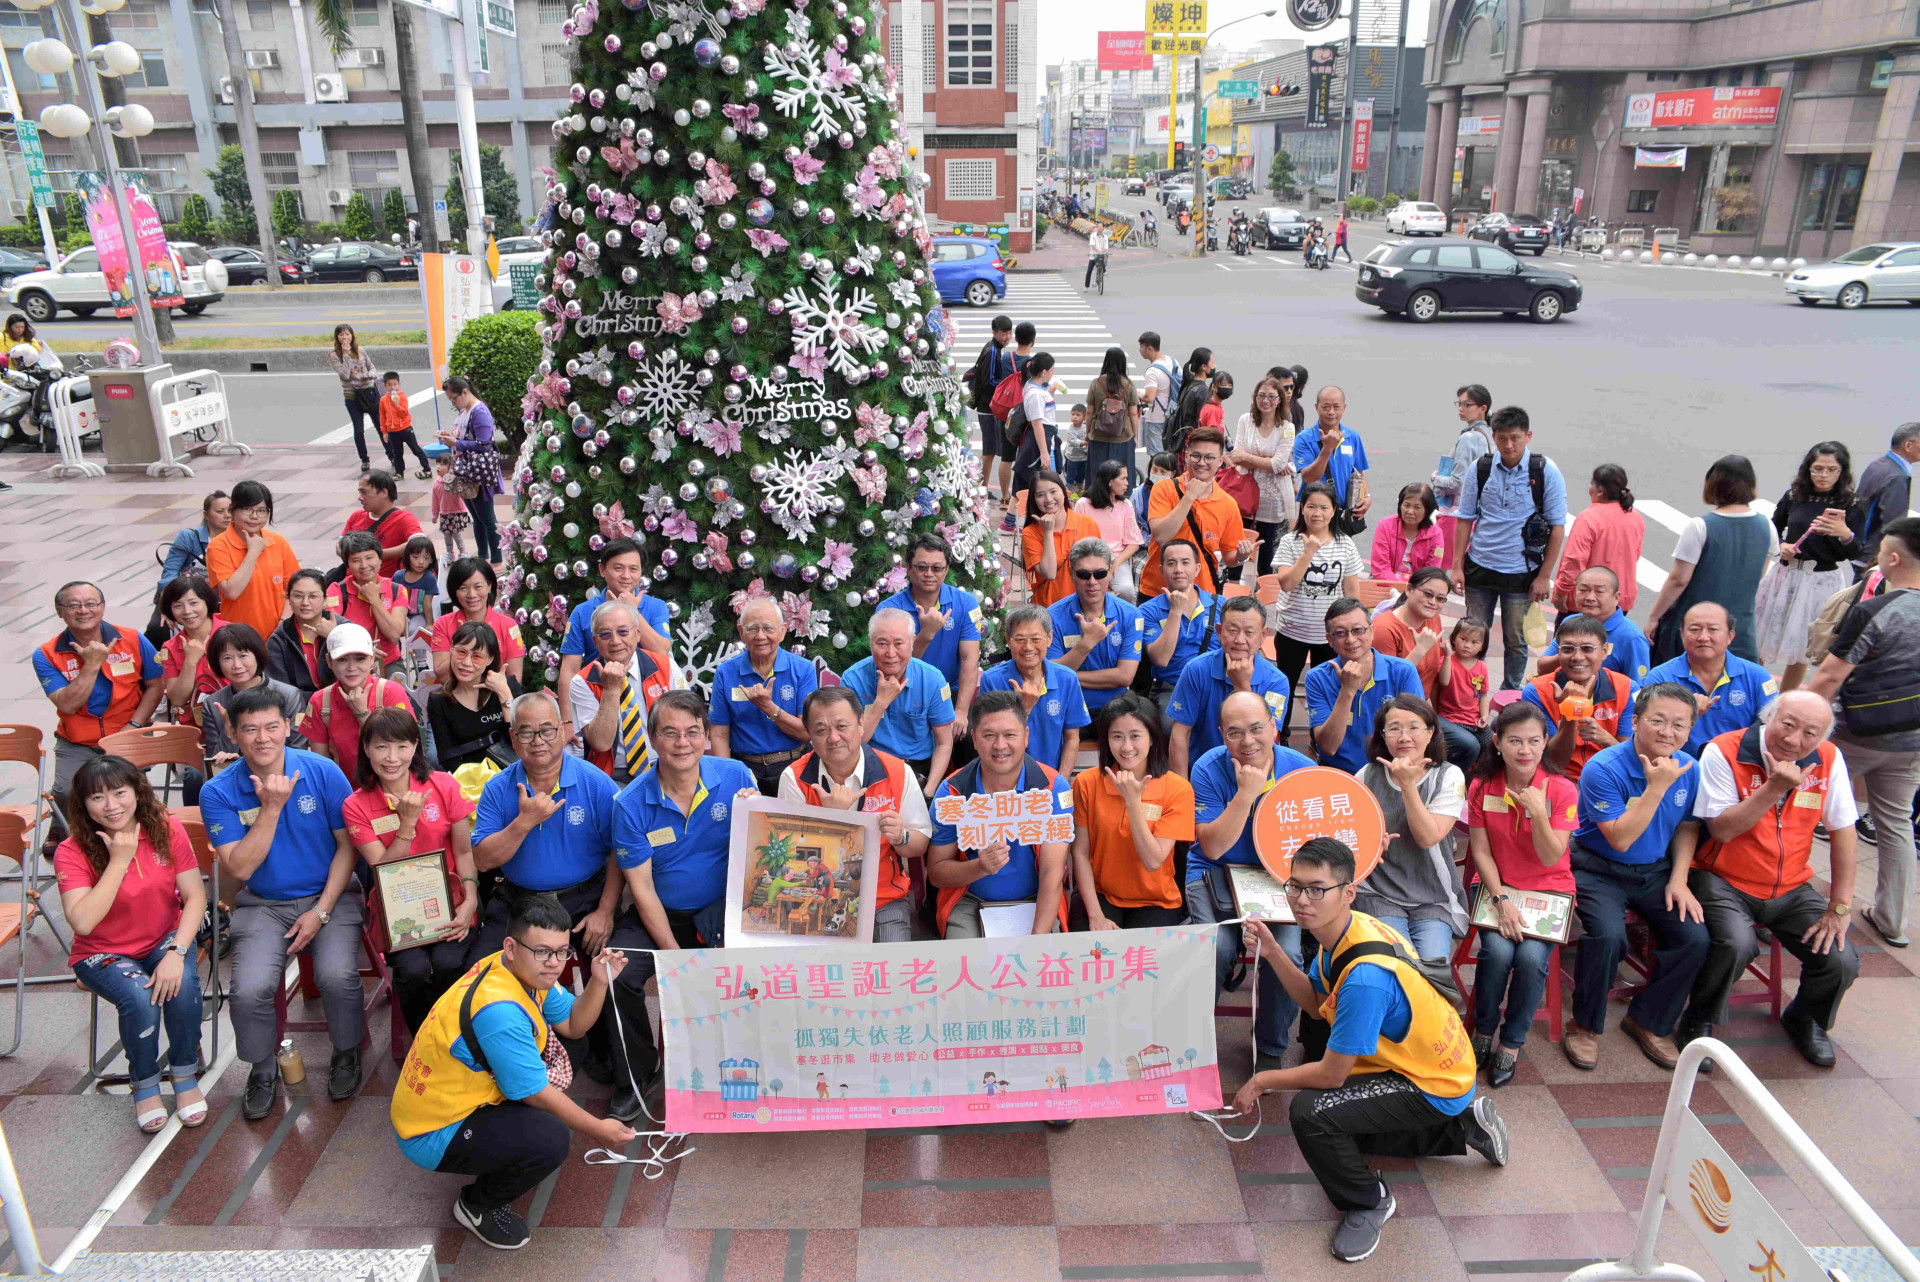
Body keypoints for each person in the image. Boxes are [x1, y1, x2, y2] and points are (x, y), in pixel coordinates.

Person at [1233, 839, 1507, 1265]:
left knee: (1313, 1113)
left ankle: (1369, 1200)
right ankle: (1464, 1126)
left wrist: (1262, 1079)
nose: (1302, 900)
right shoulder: (1348, 930)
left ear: (1348, 892)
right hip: (1424, 1064)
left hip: (1428, 1081)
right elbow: (1313, 1003)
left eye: (1317, 889)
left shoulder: (1364, 977)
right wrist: (1270, 949)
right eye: (1295, 886)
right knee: (1345, 1123)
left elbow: (1330, 1076)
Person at [391, 893, 636, 1252]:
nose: (554, 964)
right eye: (542, 951)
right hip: (432, 1129)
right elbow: (535, 1092)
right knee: (551, 1139)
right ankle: (475, 1205)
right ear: (510, 945)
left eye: (561, 951)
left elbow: (573, 1025)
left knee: (573, 1046)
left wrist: (600, 980)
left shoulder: (517, 969)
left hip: (463, 1093)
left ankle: (510, 1132)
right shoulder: (499, 1010)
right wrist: (599, 1129)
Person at [468, 691, 654, 1119]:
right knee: (480, 971)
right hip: (521, 902)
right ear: (513, 739)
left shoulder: (594, 782)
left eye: (547, 729)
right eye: (527, 732)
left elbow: (619, 852)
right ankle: (498, 1065)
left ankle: (625, 1068)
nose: (538, 741)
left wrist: (606, 911)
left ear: (565, 732)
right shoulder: (500, 788)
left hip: (584, 898)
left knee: (610, 965)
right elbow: (482, 859)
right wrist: (524, 822)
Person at [200, 687, 367, 1119]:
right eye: (249, 729)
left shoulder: (323, 772)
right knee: (250, 988)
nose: (263, 738)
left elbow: (348, 849)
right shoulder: (218, 792)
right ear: (233, 735)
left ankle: (347, 1052)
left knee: (337, 975)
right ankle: (260, 1067)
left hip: (330, 895)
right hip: (262, 903)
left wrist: (321, 912)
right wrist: (271, 808)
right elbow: (238, 867)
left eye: (272, 726)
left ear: (288, 727)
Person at [1678, 691, 1860, 1067]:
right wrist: (1775, 787)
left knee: (1841, 958)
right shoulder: (1723, 751)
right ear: (1769, 717)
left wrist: (1840, 907)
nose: (1794, 740)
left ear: (1823, 738)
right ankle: (1699, 1020)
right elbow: (1722, 829)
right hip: (1722, 877)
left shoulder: (1828, 759)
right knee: (1735, 943)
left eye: (1810, 733)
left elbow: (1843, 830)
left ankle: (1807, 1017)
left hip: (1791, 886)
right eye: (1787, 724)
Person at [55, 756, 208, 1133]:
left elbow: (195, 897)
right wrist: (119, 859)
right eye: (97, 797)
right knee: (141, 997)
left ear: (136, 793)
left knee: (183, 983)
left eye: (120, 793)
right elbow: (83, 921)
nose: (111, 806)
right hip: (101, 951)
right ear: (83, 804)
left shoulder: (166, 829)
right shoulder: (71, 851)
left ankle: (185, 1074)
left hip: (163, 937)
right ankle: (145, 1083)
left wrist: (176, 953)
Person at [1565, 683, 1710, 1070]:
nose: (1667, 732)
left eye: (1679, 725)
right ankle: (1584, 1026)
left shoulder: (1690, 768)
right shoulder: (1604, 768)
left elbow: (1687, 827)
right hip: (1598, 867)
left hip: (1655, 871)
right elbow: (1621, 838)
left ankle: (1648, 1021)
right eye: (1657, 721)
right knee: (1608, 937)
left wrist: (1679, 879)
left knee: (1693, 937)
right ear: (1636, 721)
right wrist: (1657, 788)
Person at [1804, 515, 1920, 948]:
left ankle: (1783, 890)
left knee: (1807, 805)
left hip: (1853, 736)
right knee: (1896, 824)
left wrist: (1789, 722)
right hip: (1912, 740)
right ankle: (1892, 920)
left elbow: (1829, 677)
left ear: (1892, 558)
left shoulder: (1875, 610)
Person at [1192, 691, 1318, 1069]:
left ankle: (1270, 1047)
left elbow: (1323, 841)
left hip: (1278, 878)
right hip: (1215, 873)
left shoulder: (1300, 770)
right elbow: (1212, 847)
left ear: (1274, 727)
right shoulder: (1207, 769)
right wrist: (1246, 794)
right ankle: (1193, 1041)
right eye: (1234, 733)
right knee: (1213, 949)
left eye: (1255, 729)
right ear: (1220, 734)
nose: (1247, 742)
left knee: (1287, 955)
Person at [1463, 701, 1578, 1086]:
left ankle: (1511, 1042)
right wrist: (1501, 900)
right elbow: (1480, 851)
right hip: (1499, 888)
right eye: (1514, 740)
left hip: (1549, 892)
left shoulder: (1561, 790)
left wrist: (1538, 813)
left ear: (1546, 742)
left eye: (1533, 740)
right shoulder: (1482, 785)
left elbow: (1551, 856)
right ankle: (1483, 1030)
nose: (1524, 750)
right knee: (1496, 951)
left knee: (1530, 959)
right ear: (1497, 742)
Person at [343, 708, 479, 1032]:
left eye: (402, 746)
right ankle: (426, 1041)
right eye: (381, 747)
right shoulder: (356, 805)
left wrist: (471, 900)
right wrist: (407, 824)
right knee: (414, 970)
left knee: (450, 963)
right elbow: (382, 868)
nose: (392, 757)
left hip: (451, 900)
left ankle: (461, 1038)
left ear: (416, 746)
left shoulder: (444, 785)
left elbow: (463, 850)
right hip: (398, 910)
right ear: (366, 749)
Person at [609, 690, 755, 973]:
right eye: (670, 733)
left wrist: (756, 814)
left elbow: (761, 852)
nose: (682, 743)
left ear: (706, 735)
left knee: (739, 981)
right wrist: (674, 958)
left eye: (692, 732)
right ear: (652, 738)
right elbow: (643, 890)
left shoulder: (735, 776)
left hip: (723, 914)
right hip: (660, 914)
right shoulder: (630, 804)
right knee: (618, 974)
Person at [779, 687, 934, 943]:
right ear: (809, 735)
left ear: (861, 725)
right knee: (823, 978)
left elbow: (919, 845)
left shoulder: (897, 772)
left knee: (892, 973)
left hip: (884, 900)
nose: (833, 738)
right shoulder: (794, 779)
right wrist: (834, 822)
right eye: (821, 730)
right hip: (820, 899)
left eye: (842, 726)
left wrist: (901, 836)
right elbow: (793, 851)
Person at [926, 691, 1073, 938]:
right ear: (973, 738)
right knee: (964, 967)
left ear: (1026, 736)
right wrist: (980, 867)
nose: (1000, 745)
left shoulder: (1053, 788)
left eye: (1010, 735)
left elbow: (1052, 874)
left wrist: (1036, 939)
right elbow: (938, 873)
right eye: (989, 735)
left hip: (1036, 899)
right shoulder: (951, 791)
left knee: (1044, 968)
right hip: (970, 900)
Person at [1449, 407, 1570, 690]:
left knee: (1516, 640)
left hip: (1522, 573)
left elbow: (1557, 527)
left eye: (1515, 438)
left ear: (1528, 436)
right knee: (1471, 636)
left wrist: (1544, 576)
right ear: (1494, 437)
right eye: (1502, 438)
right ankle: (1468, 689)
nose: (1509, 445)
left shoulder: (1544, 471)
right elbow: (1465, 518)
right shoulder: (1480, 468)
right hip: (1480, 568)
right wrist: (1456, 566)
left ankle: (1511, 692)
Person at [35, 580, 164, 835]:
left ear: (102, 607)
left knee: (132, 792)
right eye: (73, 605)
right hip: (77, 740)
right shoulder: (46, 653)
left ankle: (143, 839)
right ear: (60, 611)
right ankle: (62, 830)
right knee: (66, 791)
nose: (83, 611)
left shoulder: (133, 639)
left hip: (127, 733)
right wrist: (92, 665)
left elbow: (157, 685)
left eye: (90, 604)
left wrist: (135, 725)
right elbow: (67, 704)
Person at [1354, 696, 1469, 961]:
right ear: (1383, 736)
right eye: (1394, 728)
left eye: (1414, 727)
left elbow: (1428, 837)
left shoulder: (1449, 776)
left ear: (1430, 733)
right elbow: (1351, 836)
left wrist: (1408, 785)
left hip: (1432, 894)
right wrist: (1370, 843)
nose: (1404, 737)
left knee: (1432, 969)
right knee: (1397, 963)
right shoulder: (1366, 775)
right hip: (1378, 890)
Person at [1070, 695, 1195, 930]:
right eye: (1117, 737)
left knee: (1147, 962)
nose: (1126, 747)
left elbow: (1153, 860)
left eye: (1135, 736)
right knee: (1092, 953)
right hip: (1101, 893)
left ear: (1151, 739)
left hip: (1156, 900)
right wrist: (1095, 916)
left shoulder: (1178, 790)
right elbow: (1080, 852)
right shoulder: (1086, 783)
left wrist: (1132, 802)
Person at [1646, 456, 1776, 667]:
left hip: (1696, 629)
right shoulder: (1767, 526)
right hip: (1740, 630)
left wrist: (1654, 617)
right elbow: (1758, 575)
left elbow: (1679, 579)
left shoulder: (1700, 526)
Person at [1755, 441, 1866, 690]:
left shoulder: (1851, 503)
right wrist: (1781, 546)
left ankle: (1785, 702)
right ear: (1808, 469)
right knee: (1760, 637)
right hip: (1785, 575)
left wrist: (1844, 533)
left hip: (1821, 581)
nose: (1823, 475)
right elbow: (1772, 527)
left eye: (1831, 470)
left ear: (1842, 472)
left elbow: (1857, 551)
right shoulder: (1795, 495)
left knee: (1801, 649)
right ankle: (1756, 694)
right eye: (1817, 469)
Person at [1272, 482, 1366, 732]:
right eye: (1311, 506)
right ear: (1302, 508)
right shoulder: (1290, 542)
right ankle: (1280, 734)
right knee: (1284, 687)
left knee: (1328, 688)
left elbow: (1352, 593)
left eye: (1324, 507)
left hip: (1331, 637)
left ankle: (1321, 737)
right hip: (1292, 631)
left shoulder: (1345, 544)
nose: (1317, 513)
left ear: (1334, 510)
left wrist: (1354, 630)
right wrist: (1308, 553)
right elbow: (1287, 584)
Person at [1169, 596, 1289, 775]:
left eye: (1249, 632)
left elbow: (1266, 738)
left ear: (1263, 635)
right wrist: (1181, 791)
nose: (1240, 640)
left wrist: (1241, 686)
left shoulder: (1276, 681)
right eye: (1232, 631)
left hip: (1254, 771)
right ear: (1219, 631)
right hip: (1203, 770)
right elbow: (1180, 735)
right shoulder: (1196, 670)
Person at [1305, 599, 1427, 775]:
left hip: (1391, 770)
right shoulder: (1317, 678)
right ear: (1329, 640)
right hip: (1339, 772)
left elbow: (1417, 734)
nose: (1351, 639)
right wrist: (1347, 691)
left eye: (1358, 630)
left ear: (1371, 631)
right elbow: (1328, 748)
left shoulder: (1403, 671)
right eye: (1340, 633)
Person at [708, 597, 816, 793]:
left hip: (793, 766)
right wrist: (728, 776)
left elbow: (807, 732)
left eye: (768, 628)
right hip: (745, 769)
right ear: (741, 632)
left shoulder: (803, 670)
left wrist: (768, 707)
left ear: (783, 630)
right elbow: (718, 732)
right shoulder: (726, 673)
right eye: (752, 628)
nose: (760, 636)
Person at [839, 607, 956, 787]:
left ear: (912, 641)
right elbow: (852, 744)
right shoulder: (852, 679)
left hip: (919, 769)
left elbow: (944, 744)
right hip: (872, 767)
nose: (890, 653)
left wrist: (929, 792)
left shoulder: (933, 679)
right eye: (882, 643)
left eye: (899, 643)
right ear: (870, 642)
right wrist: (881, 703)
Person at [879, 532, 981, 738]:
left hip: (949, 692)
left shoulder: (966, 603)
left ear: (946, 570)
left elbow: (969, 658)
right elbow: (895, 667)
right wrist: (927, 634)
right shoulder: (889, 609)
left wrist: (961, 711)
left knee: (971, 740)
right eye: (921, 567)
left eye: (936, 568)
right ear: (908, 568)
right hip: (906, 690)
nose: (929, 574)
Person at [1641, 602, 1778, 756]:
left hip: (1734, 767)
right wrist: (1687, 715)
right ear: (1682, 635)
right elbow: (1646, 730)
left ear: (1730, 636)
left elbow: (1770, 730)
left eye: (1713, 629)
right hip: (1676, 766)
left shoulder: (1758, 677)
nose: (1703, 637)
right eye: (1694, 629)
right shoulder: (1661, 677)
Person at [1141, 426, 1254, 598]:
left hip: (1202, 594)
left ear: (1220, 461)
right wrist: (1189, 496)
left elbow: (1230, 557)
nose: (1201, 463)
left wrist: (1241, 555)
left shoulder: (1227, 503)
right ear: (1186, 456)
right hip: (1157, 591)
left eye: (1209, 457)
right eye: (1196, 455)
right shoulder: (1163, 488)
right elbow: (1161, 536)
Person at [977, 605, 1090, 776]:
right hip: (1005, 779)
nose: (1028, 647)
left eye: (1036, 639)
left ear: (1049, 638)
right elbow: (991, 738)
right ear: (1008, 639)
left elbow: (1072, 738)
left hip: (1051, 777)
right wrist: (1024, 709)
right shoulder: (992, 680)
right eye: (1020, 639)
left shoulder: (1067, 678)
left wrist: (1061, 781)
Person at [1522, 613, 1636, 781]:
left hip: (1609, 778)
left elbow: (1629, 758)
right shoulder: (1536, 692)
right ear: (1558, 652)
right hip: (1558, 780)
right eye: (1567, 649)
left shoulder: (1628, 689)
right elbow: (1553, 762)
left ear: (1604, 651)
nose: (1577, 657)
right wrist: (1570, 714)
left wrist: (1605, 738)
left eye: (1588, 649)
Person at [571, 599, 673, 785]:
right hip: (612, 777)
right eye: (605, 634)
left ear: (637, 634)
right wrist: (611, 689)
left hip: (667, 769)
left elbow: (689, 721)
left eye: (623, 632)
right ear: (595, 641)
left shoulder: (665, 666)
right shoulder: (583, 681)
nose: (615, 641)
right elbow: (600, 743)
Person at [297, 623, 415, 779]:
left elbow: (402, 751)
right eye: (342, 660)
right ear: (329, 662)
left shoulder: (390, 692)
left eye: (360, 659)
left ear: (372, 659)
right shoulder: (320, 701)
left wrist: (362, 714)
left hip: (391, 786)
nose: (352, 667)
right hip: (345, 791)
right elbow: (322, 765)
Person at [1046, 538, 1144, 722]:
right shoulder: (1052, 616)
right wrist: (1087, 643)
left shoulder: (1132, 615)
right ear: (1071, 574)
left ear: (1111, 572)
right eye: (1083, 574)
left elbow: (1125, 677)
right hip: (1068, 705)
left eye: (1099, 573)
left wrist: (1069, 675)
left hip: (1116, 708)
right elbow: (1052, 675)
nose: (1092, 582)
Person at [200, 624, 310, 767]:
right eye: (227, 658)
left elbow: (297, 748)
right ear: (217, 663)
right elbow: (215, 762)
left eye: (243, 655)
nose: (237, 665)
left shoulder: (289, 695)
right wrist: (229, 732)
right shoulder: (213, 703)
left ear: (257, 655)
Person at [207, 480, 304, 643]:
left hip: (278, 637)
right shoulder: (219, 546)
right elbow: (231, 591)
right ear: (233, 510)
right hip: (239, 639)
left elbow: (295, 589)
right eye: (247, 509)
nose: (254, 516)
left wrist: (282, 625)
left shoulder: (277, 542)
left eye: (261, 511)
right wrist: (253, 552)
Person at [1373, 569, 1456, 751]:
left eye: (1440, 598)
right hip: (1395, 716)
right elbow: (1385, 686)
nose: (1433, 602)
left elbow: (1434, 674)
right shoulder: (1384, 628)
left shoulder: (1433, 620)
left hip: (1422, 709)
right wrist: (1420, 650)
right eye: (1428, 594)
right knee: (1466, 745)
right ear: (1409, 590)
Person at [426, 621, 520, 772]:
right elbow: (447, 758)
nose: (466, 663)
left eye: (477, 657)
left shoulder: (507, 687)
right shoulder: (438, 700)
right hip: (468, 781)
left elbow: (520, 743)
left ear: (489, 659)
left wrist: (504, 695)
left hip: (509, 772)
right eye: (461, 652)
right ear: (451, 650)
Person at [1553, 465, 1644, 615]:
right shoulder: (1635, 517)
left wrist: (1562, 591)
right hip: (1619, 600)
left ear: (1600, 491)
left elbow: (1574, 561)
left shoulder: (1589, 518)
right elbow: (1635, 555)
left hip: (1587, 603)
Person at [1230, 375, 1297, 576]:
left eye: (1271, 396)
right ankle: (1234, 588)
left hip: (1273, 497)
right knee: (1239, 544)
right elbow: (1236, 455)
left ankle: (1261, 594)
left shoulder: (1287, 428)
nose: (1265, 400)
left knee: (1267, 551)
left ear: (1279, 400)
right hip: (1244, 492)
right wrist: (1270, 462)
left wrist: (1249, 458)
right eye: (1261, 395)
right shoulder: (1246, 420)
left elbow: (1277, 464)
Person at [1138, 539, 1218, 703]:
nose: (1178, 570)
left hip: (1213, 685)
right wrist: (1175, 611)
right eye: (1171, 563)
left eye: (1185, 563)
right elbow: (1160, 659)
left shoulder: (1220, 605)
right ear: (1162, 570)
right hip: (1172, 688)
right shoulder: (1148, 611)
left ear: (1197, 569)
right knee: (1168, 724)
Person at [147, 490, 231, 645]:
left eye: (230, 511)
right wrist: (168, 601)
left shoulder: (240, 538)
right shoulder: (189, 537)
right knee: (157, 629)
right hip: (183, 596)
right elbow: (170, 571)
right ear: (206, 515)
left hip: (222, 601)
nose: (227, 515)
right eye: (220, 511)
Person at [1539, 566, 1651, 683]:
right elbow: (1542, 668)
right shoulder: (1570, 622)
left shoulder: (1632, 638)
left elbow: (1639, 690)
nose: (1590, 597)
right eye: (1583, 590)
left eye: (1599, 592)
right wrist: (1569, 653)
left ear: (1616, 597)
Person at [323, 531, 409, 677]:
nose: (364, 565)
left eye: (369, 558)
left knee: (398, 694)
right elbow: (330, 628)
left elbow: (394, 634)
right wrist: (363, 649)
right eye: (356, 560)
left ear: (380, 559)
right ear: (347, 564)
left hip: (388, 662)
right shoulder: (336, 590)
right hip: (350, 663)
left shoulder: (397, 590)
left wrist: (374, 600)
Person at [431, 558, 527, 685]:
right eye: (463, 588)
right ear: (454, 590)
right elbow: (442, 678)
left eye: (478, 587)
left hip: (496, 699)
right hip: (456, 699)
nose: (471, 594)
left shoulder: (509, 626)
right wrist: (463, 642)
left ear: (489, 586)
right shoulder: (442, 624)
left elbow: (515, 680)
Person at [439, 376, 502, 565]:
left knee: (487, 518)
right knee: (477, 517)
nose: (453, 402)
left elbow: (484, 444)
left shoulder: (479, 412)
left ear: (465, 392)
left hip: (478, 473)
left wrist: (455, 442)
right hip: (466, 472)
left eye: (454, 398)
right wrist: (450, 437)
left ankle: (497, 559)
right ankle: (483, 555)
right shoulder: (465, 410)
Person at [1293, 387, 1373, 526]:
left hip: (1342, 514)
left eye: (1336, 407)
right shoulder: (1304, 439)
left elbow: (1359, 473)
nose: (1331, 412)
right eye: (1326, 407)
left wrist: (1367, 496)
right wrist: (1328, 448)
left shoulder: (1352, 437)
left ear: (1344, 408)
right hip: (1314, 515)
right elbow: (1310, 478)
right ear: (1316, 407)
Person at [1021, 469, 1098, 609]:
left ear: (1064, 492)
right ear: (1034, 500)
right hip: (1050, 609)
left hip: (1086, 607)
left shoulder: (1088, 524)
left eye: (1053, 491)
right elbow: (1049, 573)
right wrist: (1048, 532)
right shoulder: (1030, 533)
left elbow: (1100, 568)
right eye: (1040, 495)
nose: (1048, 499)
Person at [1431, 384, 1493, 554]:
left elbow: (1457, 482)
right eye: (1459, 403)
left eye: (1467, 405)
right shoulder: (1490, 434)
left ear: (1483, 408)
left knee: (1440, 562)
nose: (1461, 408)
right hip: (1478, 512)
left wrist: (1436, 478)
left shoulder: (1468, 438)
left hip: (1454, 514)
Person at [156, 576, 227, 718]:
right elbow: (177, 700)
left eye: (194, 603)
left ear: (207, 602)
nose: (187, 611)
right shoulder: (169, 648)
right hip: (195, 724)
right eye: (178, 606)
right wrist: (190, 661)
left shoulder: (234, 633)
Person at [1853, 422, 1920, 574]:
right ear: (1908, 446)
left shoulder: (1878, 465)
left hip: (1860, 550)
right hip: (1875, 558)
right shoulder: (1897, 476)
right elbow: (1894, 524)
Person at [1074, 460, 1145, 601]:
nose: (1127, 483)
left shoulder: (1126, 505)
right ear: (1109, 481)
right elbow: (1075, 538)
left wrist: (1118, 562)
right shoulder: (1083, 504)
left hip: (1116, 559)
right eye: (1123, 478)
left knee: (1127, 591)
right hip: (1088, 557)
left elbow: (1134, 543)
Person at [965, 314, 1014, 499]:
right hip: (988, 407)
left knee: (990, 450)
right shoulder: (993, 351)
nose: (1007, 337)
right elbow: (989, 381)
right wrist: (1005, 386)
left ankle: (982, 488)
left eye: (1010, 333)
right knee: (989, 451)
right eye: (1004, 333)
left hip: (987, 406)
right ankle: (982, 490)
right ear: (995, 332)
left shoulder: (994, 347)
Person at [343, 470, 425, 578]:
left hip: (385, 589)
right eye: (360, 493)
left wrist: (378, 554)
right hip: (351, 588)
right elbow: (340, 546)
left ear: (384, 492)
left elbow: (419, 544)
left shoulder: (404, 519)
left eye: (364, 492)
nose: (360, 497)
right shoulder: (356, 516)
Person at [267, 569, 336, 695]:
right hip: (300, 708)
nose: (305, 603)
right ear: (289, 599)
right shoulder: (278, 640)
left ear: (325, 599)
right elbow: (281, 691)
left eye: (313, 596)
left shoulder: (344, 628)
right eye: (298, 596)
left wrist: (335, 637)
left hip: (341, 701)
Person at [1435, 619, 1494, 768]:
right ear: (1454, 638)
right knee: (1466, 745)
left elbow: (1483, 695)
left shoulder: (1482, 668)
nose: (1467, 645)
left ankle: (1477, 773)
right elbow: (1444, 681)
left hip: (1474, 720)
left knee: (1490, 744)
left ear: (1482, 646)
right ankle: (1457, 772)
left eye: (1475, 642)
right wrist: (1447, 656)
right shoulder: (1447, 661)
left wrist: (1485, 716)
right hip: (1452, 718)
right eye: (1463, 639)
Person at [327, 323, 380, 473]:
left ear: (352, 335)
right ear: (337, 337)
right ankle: (364, 459)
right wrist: (345, 355)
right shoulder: (334, 355)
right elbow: (344, 375)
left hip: (369, 392)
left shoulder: (360, 350)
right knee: (359, 430)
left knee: (380, 426)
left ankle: (392, 456)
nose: (345, 337)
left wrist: (370, 374)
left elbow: (372, 367)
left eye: (347, 334)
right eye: (341, 335)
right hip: (352, 396)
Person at [1083, 347, 1139, 487]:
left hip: (1098, 435)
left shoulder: (1096, 384)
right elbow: (1133, 414)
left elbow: (1089, 412)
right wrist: (1135, 436)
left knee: (1098, 473)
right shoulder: (1129, 385)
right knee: (1121, 474)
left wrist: (1087, 432)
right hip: (1123, 437)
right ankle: (1121, 500)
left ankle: (1097, 500)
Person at [1370, 484, 1446, 583]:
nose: (1410, 511)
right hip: (1386, 582)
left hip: (1418, 586)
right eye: (1406, 505)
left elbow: (1432, 571)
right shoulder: (1384, 526)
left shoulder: (1436, 534)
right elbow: (1381, 568)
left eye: (1417, 507)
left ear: (1427, 510)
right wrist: (1399, 589)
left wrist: (1413, 591)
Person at [1011, 352, 1059, 499]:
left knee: (1026, 484)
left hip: (1042, 438)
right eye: (1052, 369)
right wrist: (1044, 453)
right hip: (1041, 440)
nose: (1053, 372)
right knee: (1043, 483)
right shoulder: (1036, 394)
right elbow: (1037, 424)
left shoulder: (1033, 386)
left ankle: (1010, 519)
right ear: (1044, 372)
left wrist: (1049, 392)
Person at [376, 371, 432, 479]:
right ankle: (399, 473)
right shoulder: (383, 400)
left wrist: (397, 405)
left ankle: (427, 469)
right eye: (389, 385)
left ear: (399, 384)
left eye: (395, 384)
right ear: (385, 386)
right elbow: (382, 416)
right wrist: (384, 432)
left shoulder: (402, 397)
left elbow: (404, 413)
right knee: (397, 454)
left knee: (416, 449)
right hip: (392, 432)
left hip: (405, 429)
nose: (392, 387)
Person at [1137, 331, 1179, 457]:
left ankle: (1160, 476)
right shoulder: (1173, 362)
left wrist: (1138, 394)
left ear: (1149, 348)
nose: (1140, 350)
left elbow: (1149, 397)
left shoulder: (1152, 372)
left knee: (1157, 456)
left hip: (1157, 417)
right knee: (1169, 453)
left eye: (1141, 347)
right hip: (1173, 414)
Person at [432, 456, 472, 560]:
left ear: (450, 467)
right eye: (437, 464)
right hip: (444, 513)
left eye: (442, 464)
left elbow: (463, 496)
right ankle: (449, 553)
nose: (438, 467)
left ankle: (463, 552)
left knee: (456, 533)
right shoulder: (436, 483)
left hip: (456, 512)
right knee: (446, 534)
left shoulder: (455, 481)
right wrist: (434, 514)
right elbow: (435, 500)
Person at [1059, 403, 1089, 489]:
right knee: (1071, 476)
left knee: (1081, 475)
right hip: (1072, 458)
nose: (1075, 417)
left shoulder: (1085, 427)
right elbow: (1074, 441)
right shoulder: (1070, 430)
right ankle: (1070, 491)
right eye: (1073, 414)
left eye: (1078, 415)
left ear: (1084, 417)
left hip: (1083, 457)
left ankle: (1080, 489)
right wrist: (1085, 442)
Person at [1084, 222, 1110, 288]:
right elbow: (1092, 245)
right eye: (1098, 227)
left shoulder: (1105, 237)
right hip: (1093, 255)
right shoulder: (1093, 235)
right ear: (1096, 228)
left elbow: (1105, 247)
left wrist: (1102, 251)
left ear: (1103, 228)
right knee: (1089, 271)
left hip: (1101, 255)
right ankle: (1086, 286)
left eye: (1101, 227)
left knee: (1101, 258)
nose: (1099, 228)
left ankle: (1103, 271)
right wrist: (1098, 251)